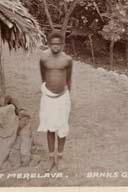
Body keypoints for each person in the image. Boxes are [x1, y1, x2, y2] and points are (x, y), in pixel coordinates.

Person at [38, 30, 73, 170]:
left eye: (59, 44)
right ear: (49, 44)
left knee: (62, 128)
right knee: (50, 128)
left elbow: (69, 79)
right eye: (53, 43)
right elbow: (43, 77)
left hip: (63, 98)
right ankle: (51, 158)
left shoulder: (67, 60)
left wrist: (68, 98)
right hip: (48, 97)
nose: (56, 46)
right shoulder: (44, 59)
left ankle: (61, 157)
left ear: (63, 45)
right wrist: (48, 90)